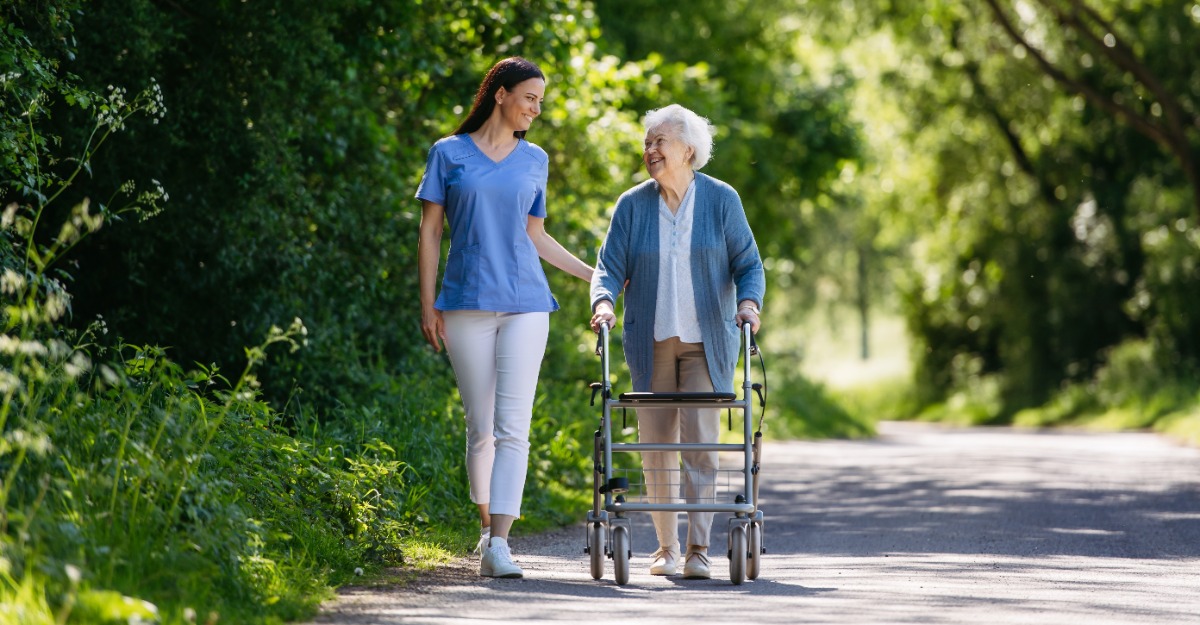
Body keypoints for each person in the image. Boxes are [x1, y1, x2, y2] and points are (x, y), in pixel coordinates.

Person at [416, 57, 593, 579]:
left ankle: (499, 541)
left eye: (540, 101)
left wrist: (594, 274)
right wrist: (428, 304)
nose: (536, 110)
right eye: (530, 98)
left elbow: (535, 235)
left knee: (515, 426)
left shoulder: (534, 159)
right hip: (465, 303)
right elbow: (429, 233)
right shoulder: (448, 154)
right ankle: (484, 528)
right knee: (481, 426)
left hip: (526, 303)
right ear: (500, 94)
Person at [589, 104, 765, 580]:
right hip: (652, 340)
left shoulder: (721, 200)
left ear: (688, 149)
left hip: (707, 340)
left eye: (659, 141)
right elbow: (608, 267)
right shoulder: (632, 204)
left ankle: (699, 549)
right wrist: (604, 301)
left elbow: (748, 264)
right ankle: (665, 548)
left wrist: (749, 304)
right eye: (647, 142)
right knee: (655, 444)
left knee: (702, 445)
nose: (650, 150)